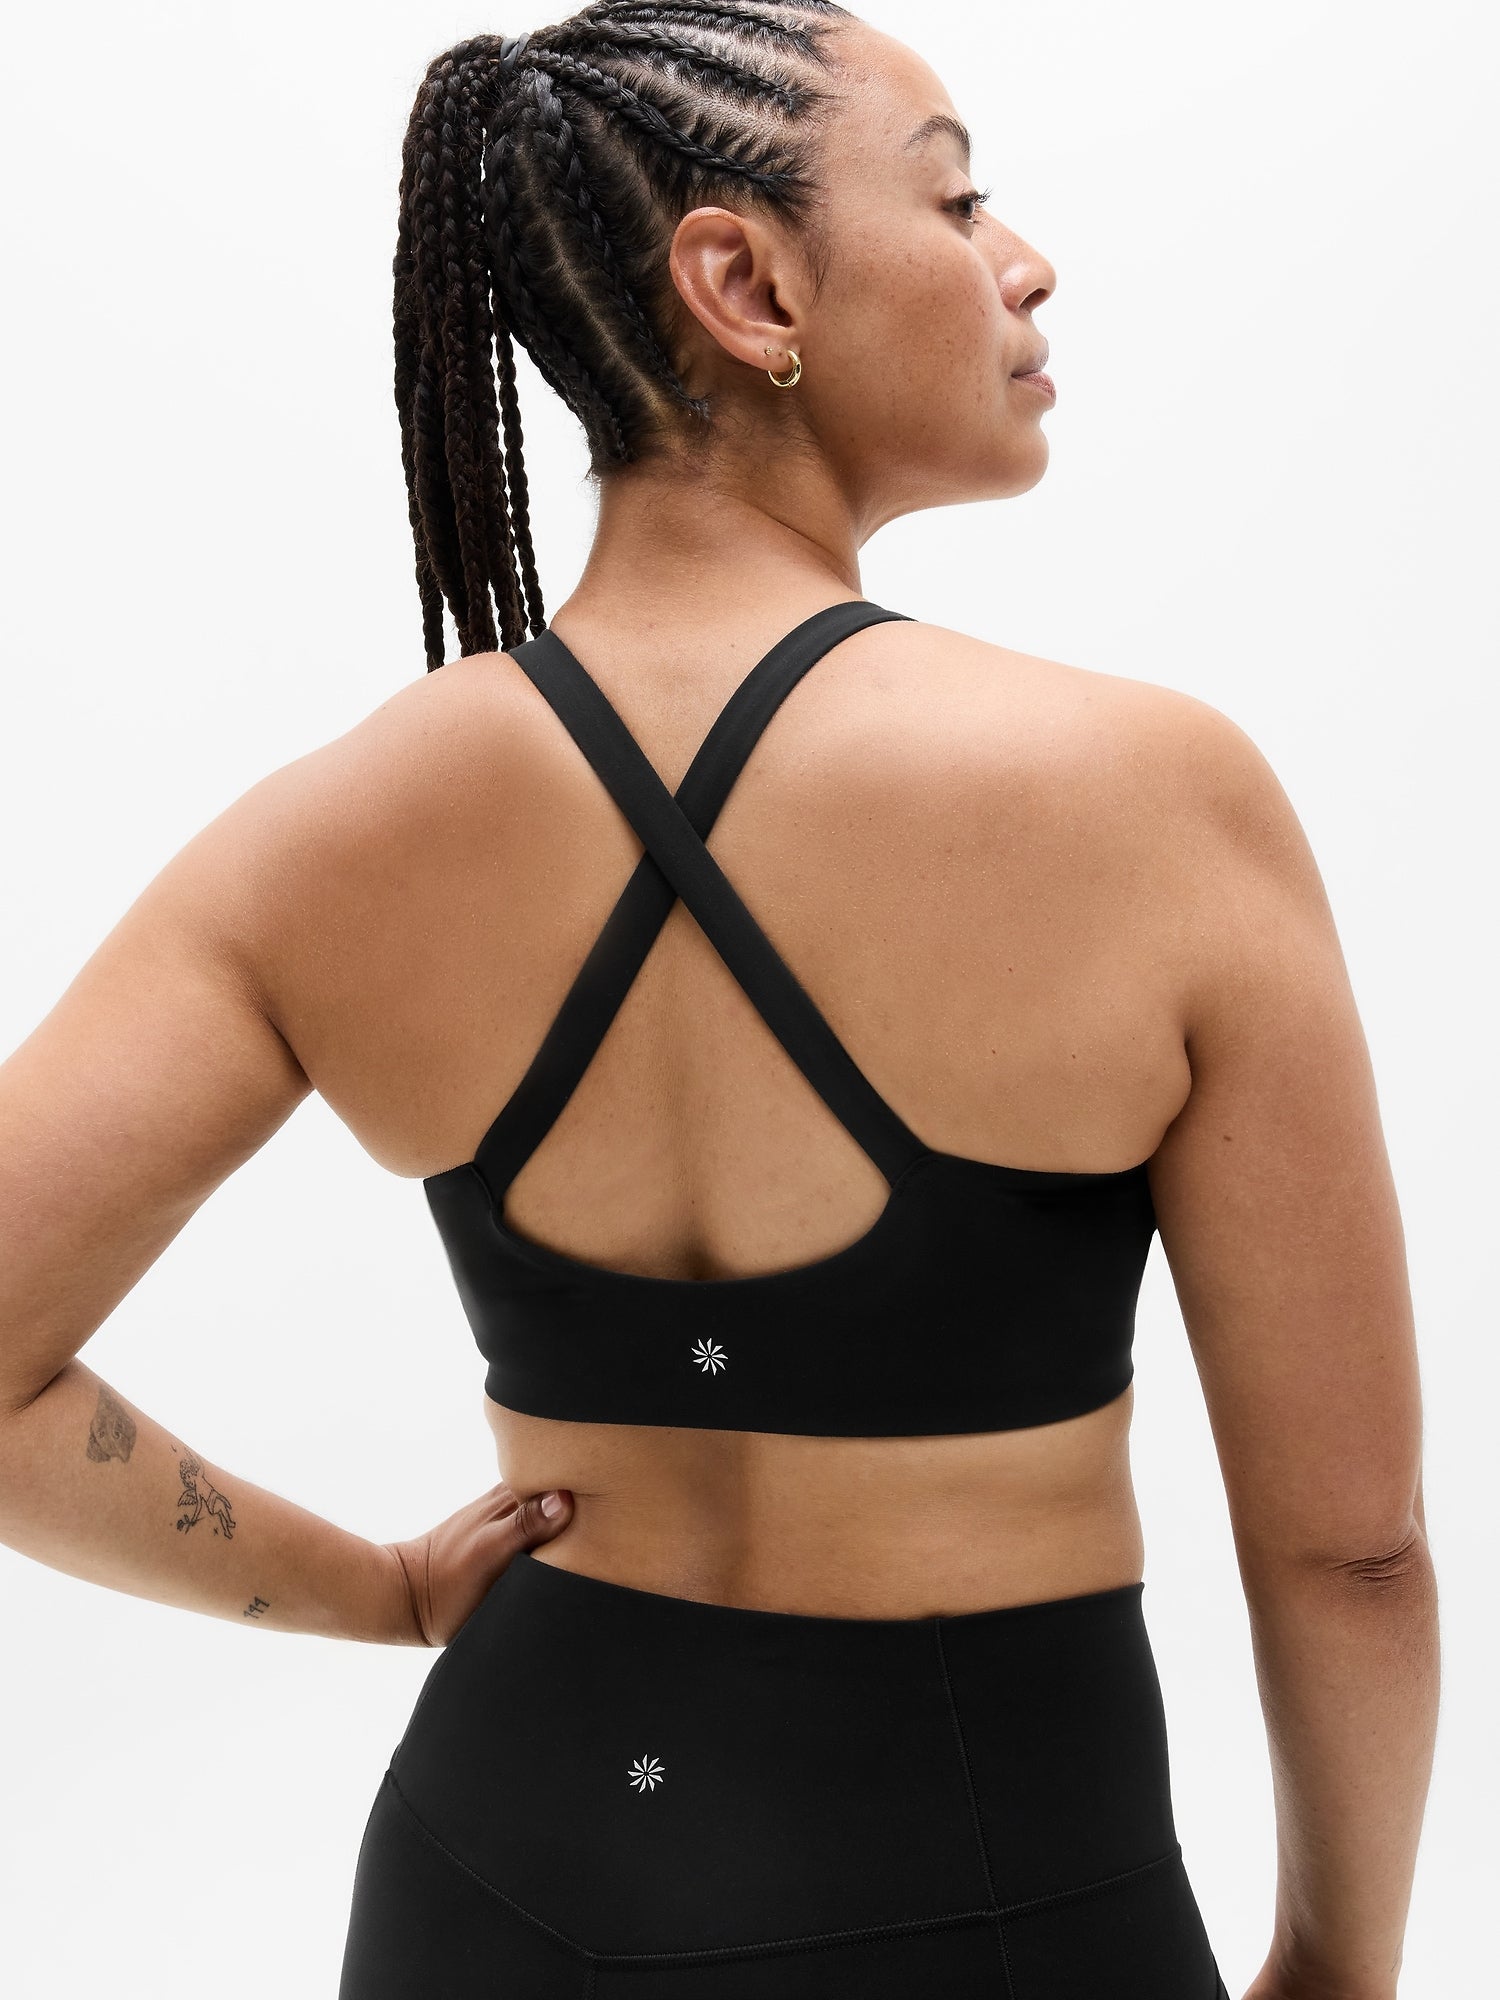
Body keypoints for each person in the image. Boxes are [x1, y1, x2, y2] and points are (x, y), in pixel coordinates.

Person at [0, 5, 1438, 1996]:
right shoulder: (1154, 798)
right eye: (958, 199)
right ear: (746, 283)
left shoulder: (334, 832)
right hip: (1001, 1913)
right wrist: (1337, 1968)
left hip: (479, 1890)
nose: (1025, 261)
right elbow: (1351, 1553)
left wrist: (386, 1595)